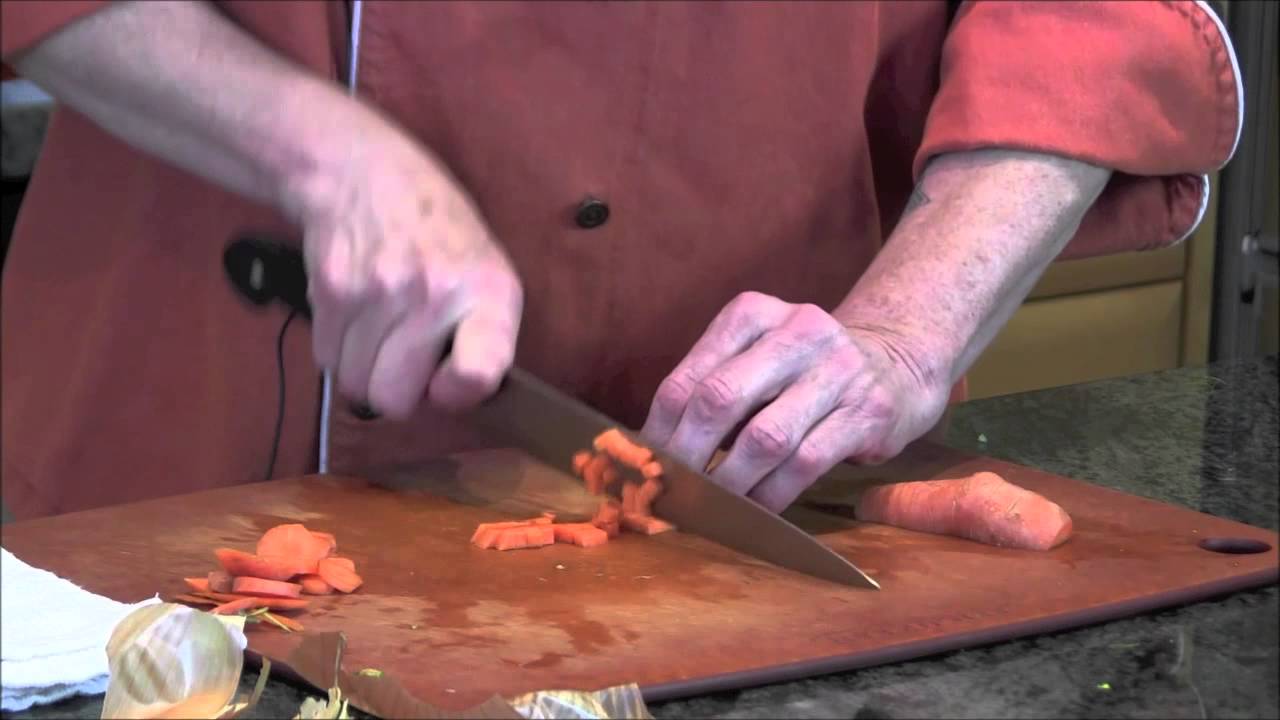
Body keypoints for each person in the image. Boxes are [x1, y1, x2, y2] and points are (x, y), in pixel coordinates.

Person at [0, 1, 1240, 520]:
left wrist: (905, 330)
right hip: (199, 427)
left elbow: (1088, 18)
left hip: (756, 463)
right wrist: (325, 153)